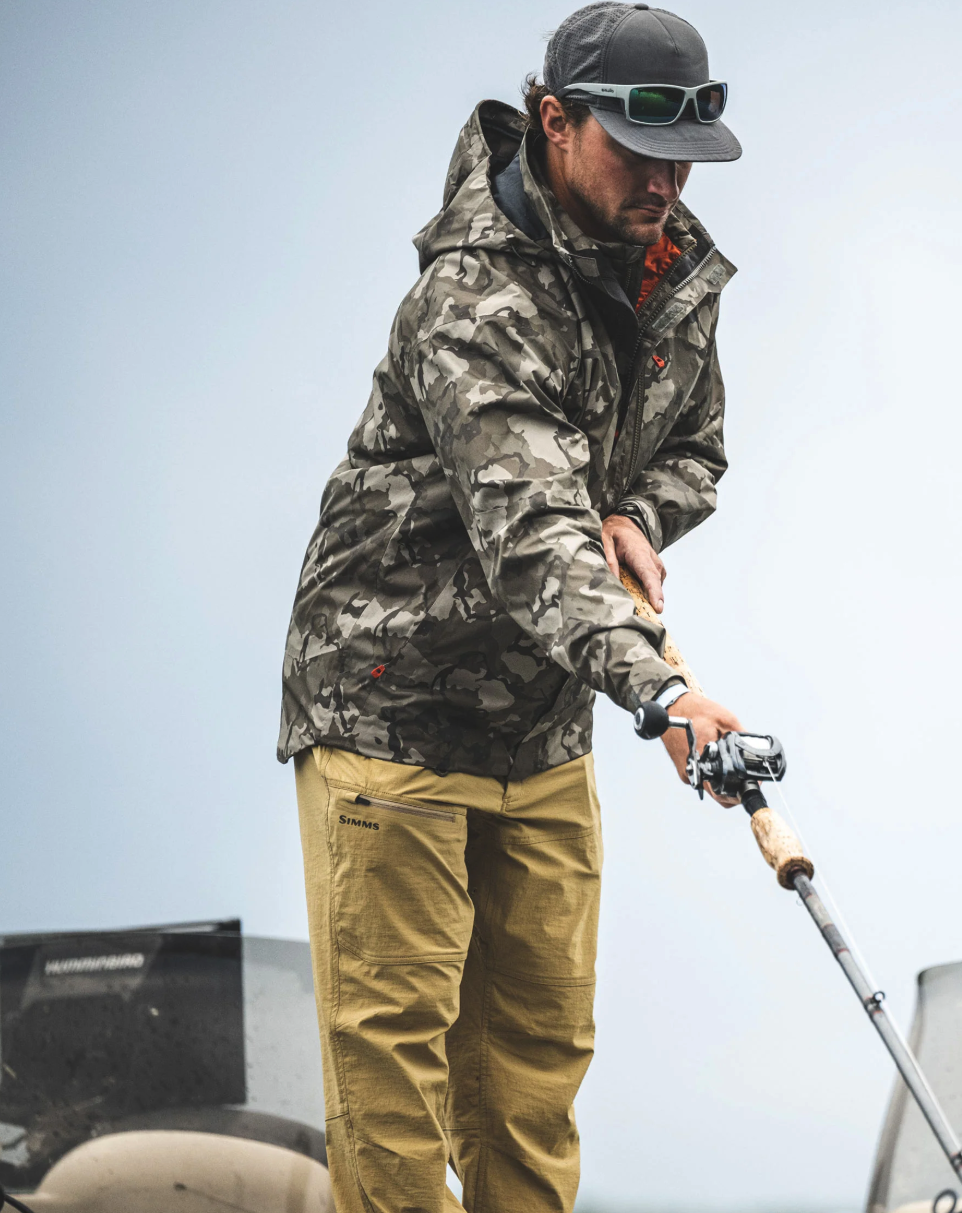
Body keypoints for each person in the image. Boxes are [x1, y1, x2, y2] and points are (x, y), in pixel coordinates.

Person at [279, 4, 745, 1210]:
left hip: (539, 727)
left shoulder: (673, 269)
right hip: (393, 719)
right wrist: (664, 692)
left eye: (684, 150)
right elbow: (533, 542)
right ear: (553, 121)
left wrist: (641, 515)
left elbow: (693, 445)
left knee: (532, 1078)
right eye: (637, 147)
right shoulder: (468, 302)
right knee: (396, 1094)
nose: (665, 178)